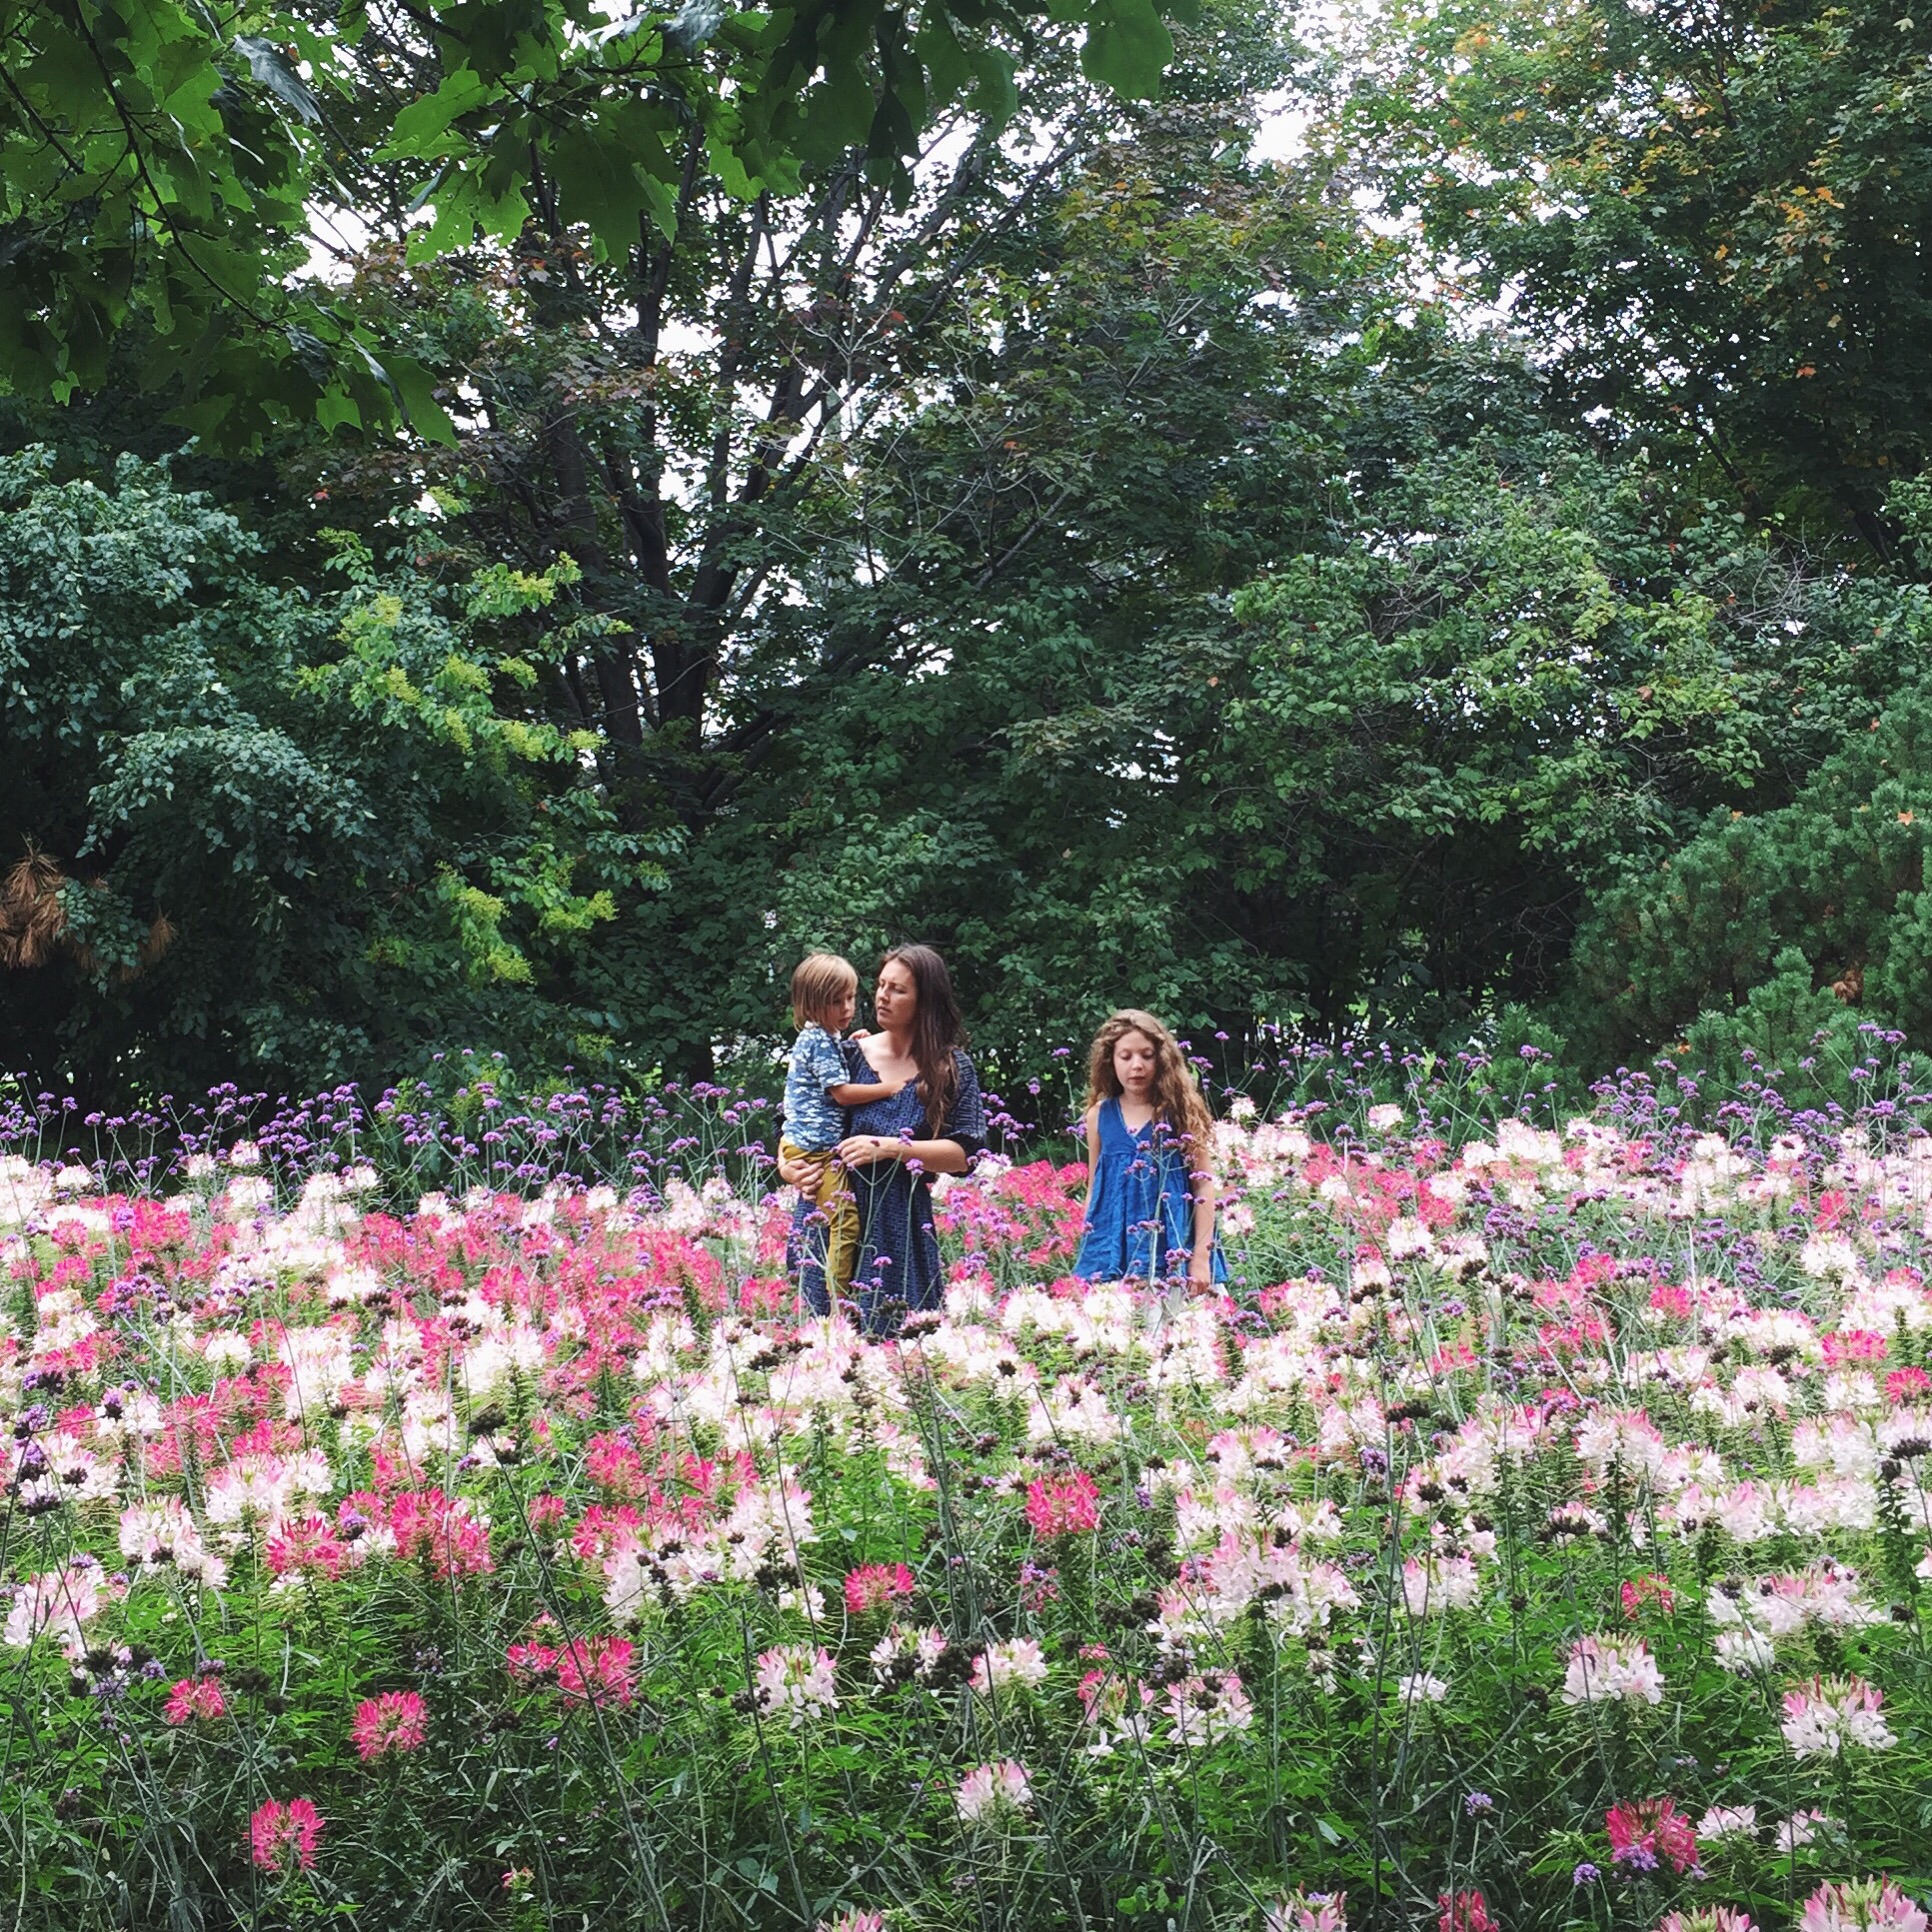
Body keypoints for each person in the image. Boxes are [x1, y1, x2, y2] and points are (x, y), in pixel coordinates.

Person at [778, 944, 986, 1332]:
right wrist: (788, 1170)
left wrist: (891, 1148)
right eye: (880, 985)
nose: (882, 997)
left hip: (898, 1229)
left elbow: (965, 1154)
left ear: (925, 1001)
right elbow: (791, 1120)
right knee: (826, 1349)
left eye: (898, 989)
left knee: (902, 1348)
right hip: (830, 1219)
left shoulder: (950, 1067)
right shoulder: (846, 1052)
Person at [779, 953, 906, 1309]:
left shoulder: (826, 1036)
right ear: (811, 1005)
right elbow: (843, 1093)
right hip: (814, 1153)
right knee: (844, 1222)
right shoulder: (818, 1040)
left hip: (814, 1147)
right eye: (836, 1001)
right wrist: (890, 1087)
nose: (847, 1007)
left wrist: (850, 1039)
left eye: (850, 997)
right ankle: (839, 1297)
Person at [1073, 1009, 1225, 1287]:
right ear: (1110, 1061)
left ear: (1162, 1059)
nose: (1137, 1065)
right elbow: (1096, 1187)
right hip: (1113, 1257)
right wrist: (1088, 1250)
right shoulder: (1099, 1117)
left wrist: (1201, 1259)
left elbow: (1204, 1185)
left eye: (1147, 1055)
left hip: (1175, 1255)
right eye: (1126, 1056)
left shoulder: (1180, 1113)